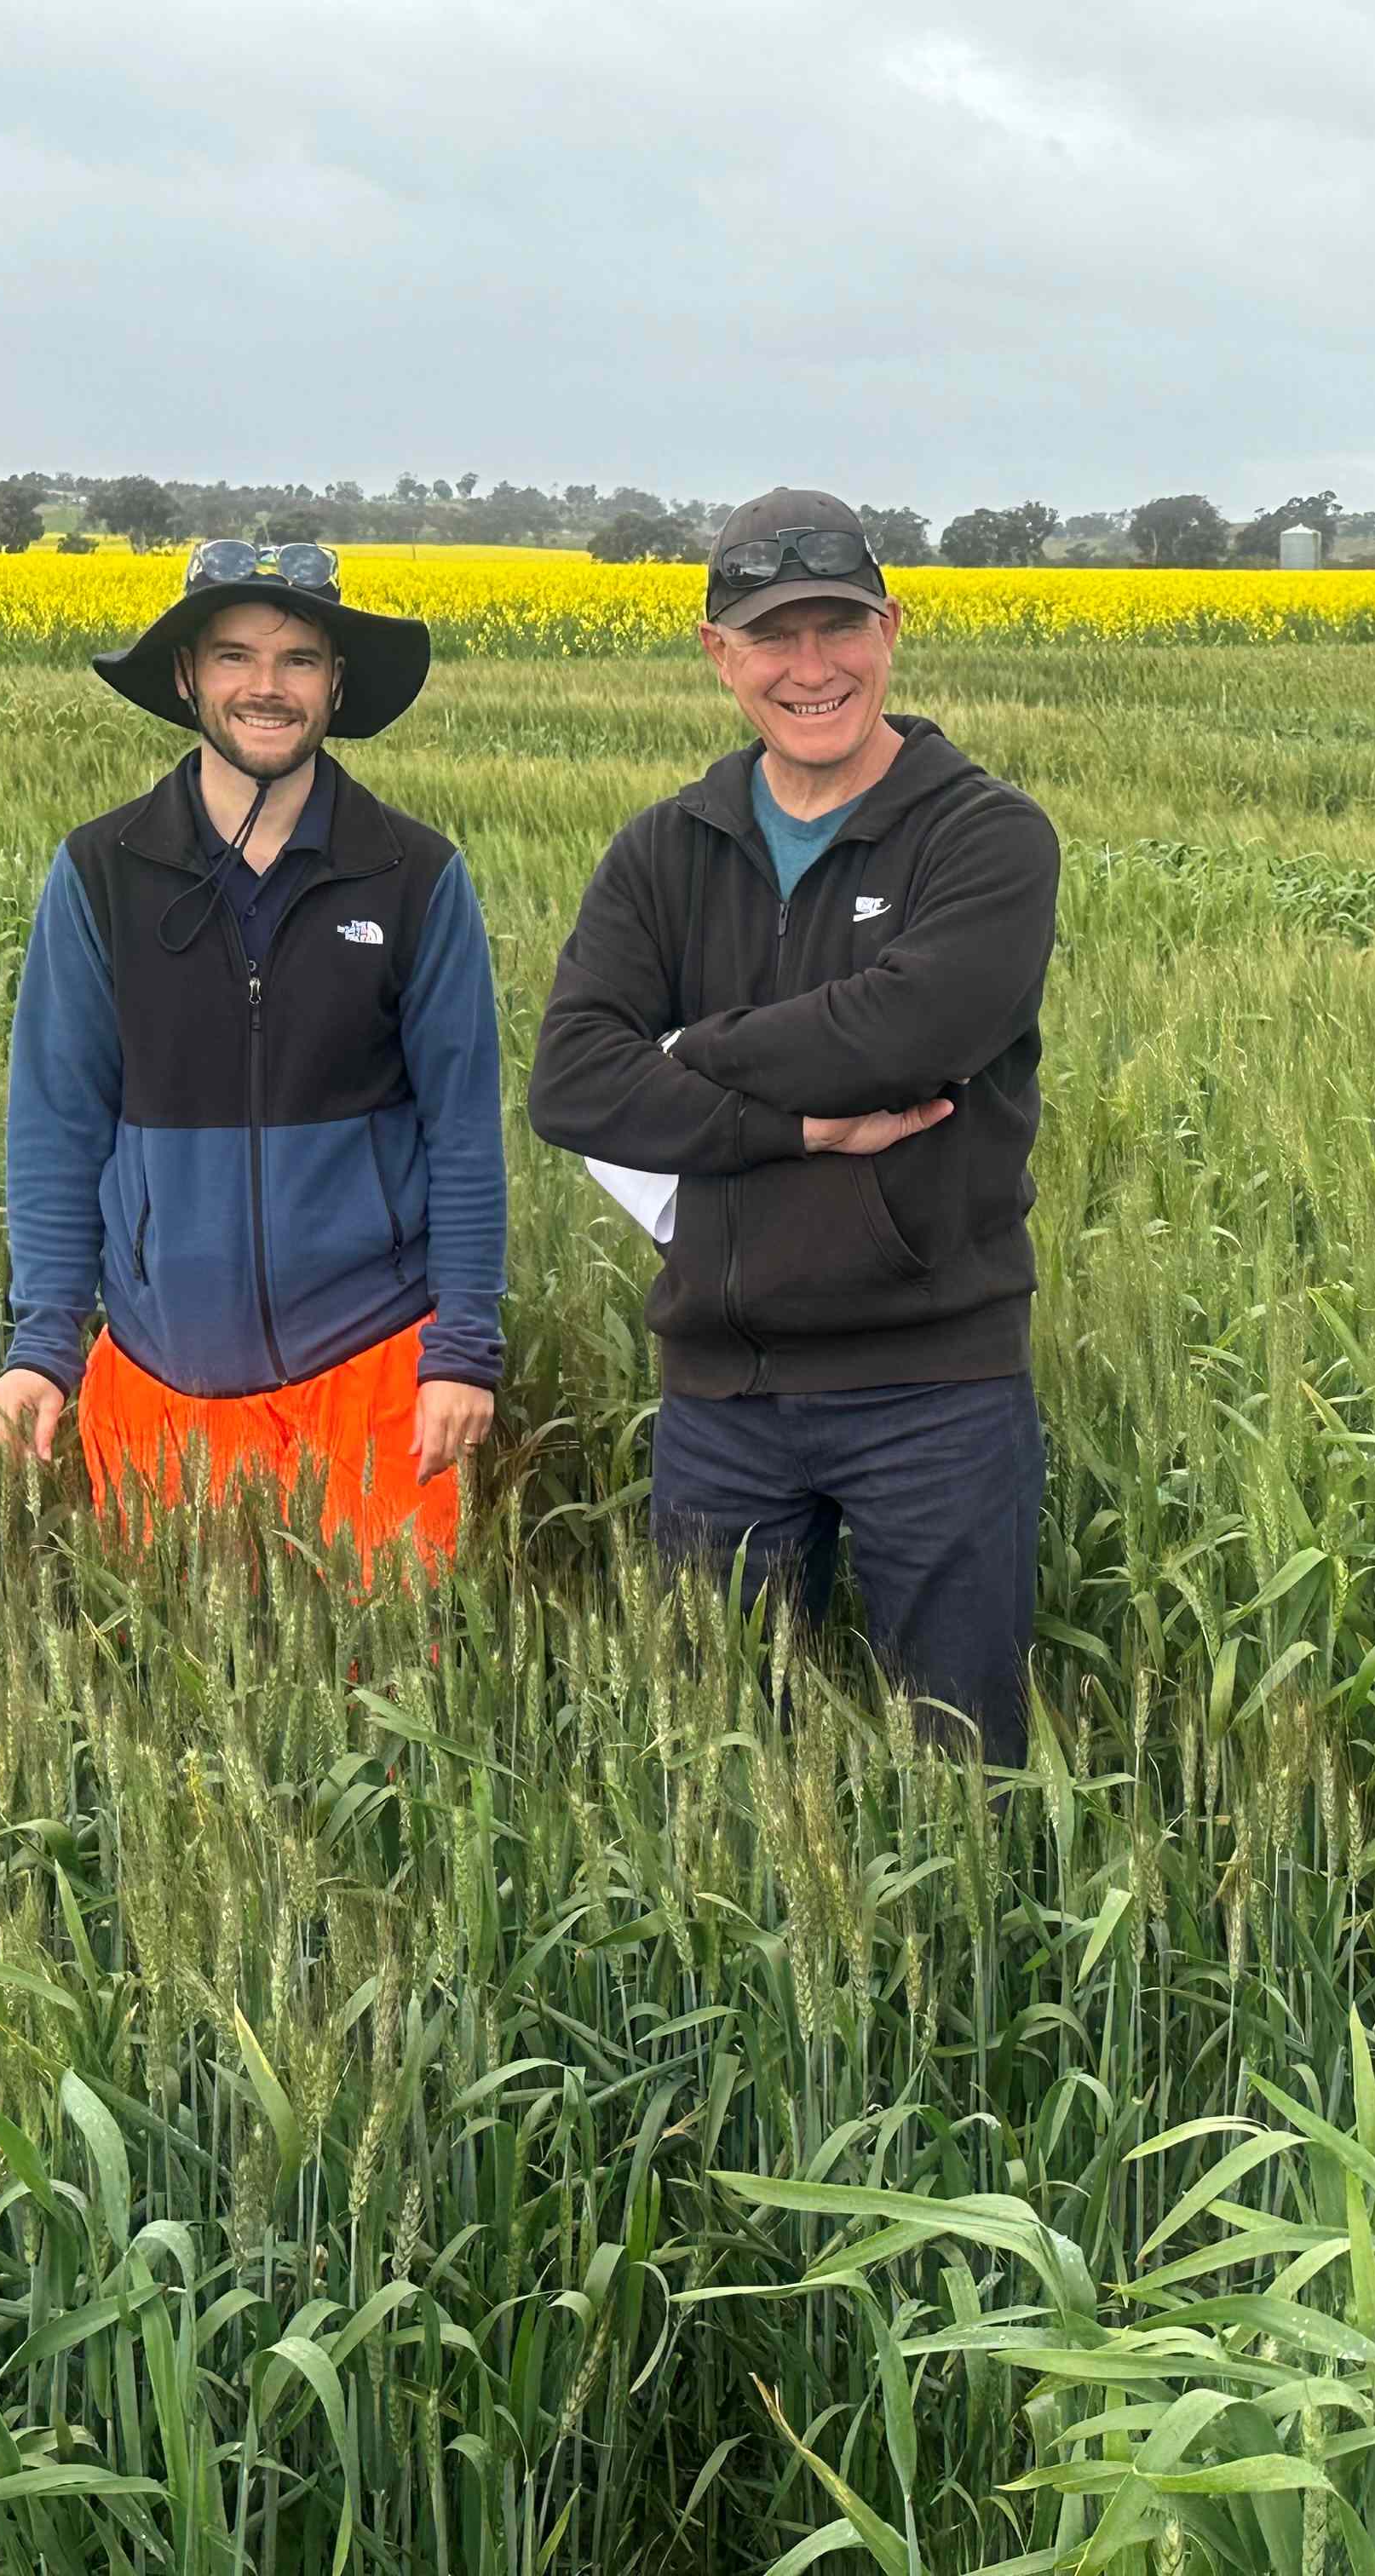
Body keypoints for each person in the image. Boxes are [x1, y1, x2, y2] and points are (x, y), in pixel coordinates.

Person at [528, 490, 1060, 1760]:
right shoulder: (664, 851)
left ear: (892, 626)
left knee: (962, 1782)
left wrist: (687, 1053)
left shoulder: (987, 837)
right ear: (721, 654)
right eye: (773, 636)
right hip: (723, 1394)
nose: (810, 669)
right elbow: (569, 1083)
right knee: (714, 1779)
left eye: (837, 628)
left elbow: (911, 1037)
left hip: (937, 1390)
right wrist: (806, 1130)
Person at [0, 540, 506, 1571]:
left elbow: (464, 1133)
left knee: (392, 1686)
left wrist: (465, 1350)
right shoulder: (100, 871)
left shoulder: (416, 876)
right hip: (156, 1371)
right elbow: (57, 1121)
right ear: (187, 678)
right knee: (177, 1690)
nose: (266, 688)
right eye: (233, 657)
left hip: (377, 1369)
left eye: (299, 660)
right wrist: (44, 1342)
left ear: (337, 682)